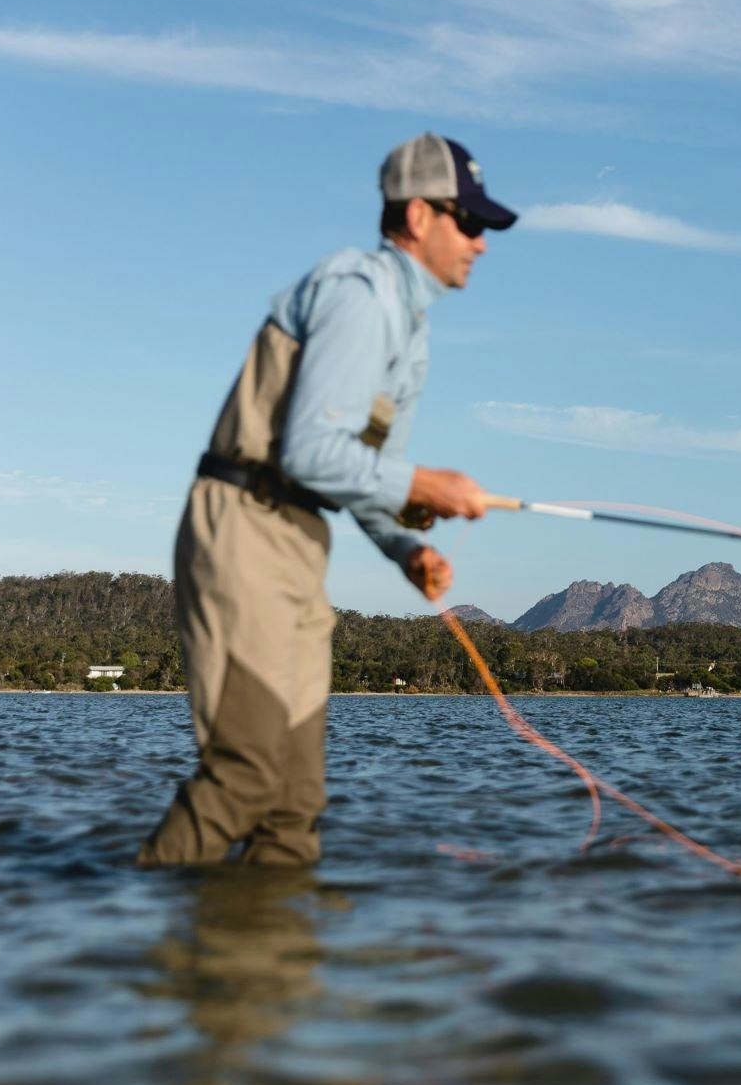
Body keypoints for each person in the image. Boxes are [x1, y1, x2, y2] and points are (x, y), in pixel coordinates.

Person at [137, 132, 514, 868]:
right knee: (243, 779)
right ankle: (109, 958)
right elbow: (312, 450)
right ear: (418, 215)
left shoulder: (412, 334)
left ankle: (269, 972)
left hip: (299, 540)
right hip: (241, 525)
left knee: (292, 811)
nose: (481, 243)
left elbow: (362, 473)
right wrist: (427, 486)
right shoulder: (358, 294)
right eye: (468, 223)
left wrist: (408, 548)